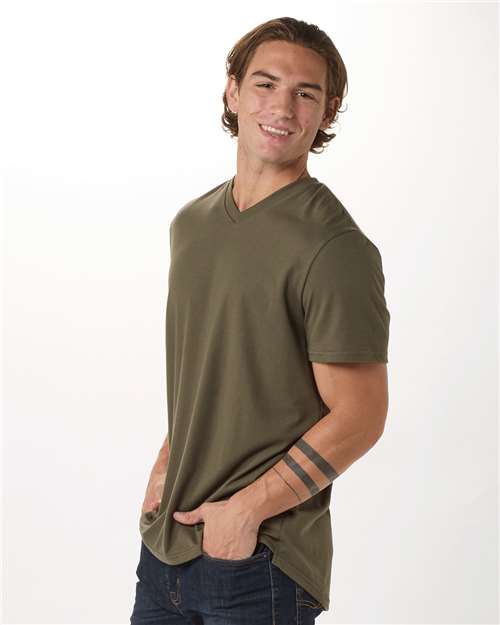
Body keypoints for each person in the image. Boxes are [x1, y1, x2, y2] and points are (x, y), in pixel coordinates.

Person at [130, 15, 390, 625]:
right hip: (167, 545)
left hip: (260, 560)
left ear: (327, 112)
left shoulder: (334, 247)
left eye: (306, 94)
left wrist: (247, 511)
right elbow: (214, 369)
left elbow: (361, 415)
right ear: (232, 92)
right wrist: (166, 465)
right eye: (265, 84)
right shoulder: (192, 225)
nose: (282, 107)